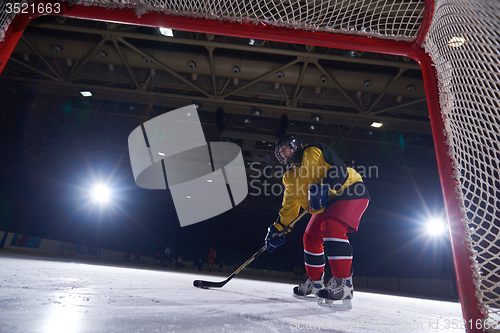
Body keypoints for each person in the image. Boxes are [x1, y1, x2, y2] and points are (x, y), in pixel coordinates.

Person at [265, 134, 369, 307]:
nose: (284, 152)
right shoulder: (289, 178)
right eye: (280, 151)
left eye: (286, 147)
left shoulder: (314, 150)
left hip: (350, 190)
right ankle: (315, 283)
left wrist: (325, 186)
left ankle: (344, 284)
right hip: (329, 203)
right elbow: (290, 206)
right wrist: (279, 228)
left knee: (332, 227)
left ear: (296, 145)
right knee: (310, 237)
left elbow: (340, 171)